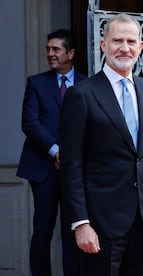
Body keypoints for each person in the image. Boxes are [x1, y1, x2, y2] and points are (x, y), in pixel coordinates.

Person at [59, 13, 143, 275]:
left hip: (142, 221)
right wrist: (81, 223)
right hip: (99, 223)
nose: (124, 47)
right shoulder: (82, 94)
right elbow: (71, 165)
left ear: (141, 47)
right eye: (117, 40)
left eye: (131, 41)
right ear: (103, 45)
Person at [16, 28, 86, 276]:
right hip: (44, 169)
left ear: (71, 53)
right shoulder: (36, 82)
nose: (50, 53)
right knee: (43, 229)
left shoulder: (86, 84)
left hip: (76, 170)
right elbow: (30, 123)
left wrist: (71, 155)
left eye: (55, 49)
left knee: (73, 229)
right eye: (48, 49)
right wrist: (56, 151)